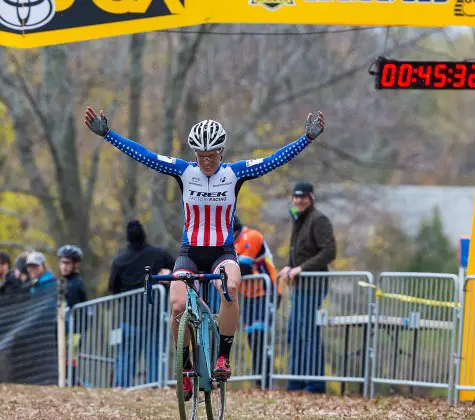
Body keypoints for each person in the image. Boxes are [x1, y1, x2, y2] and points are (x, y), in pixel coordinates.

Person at [85, 106, 325, 398]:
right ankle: (185, 365)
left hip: (222, 251)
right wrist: (108, 135)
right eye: (200, 156)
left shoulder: (235, 173)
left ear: (222, 151)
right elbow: (146, 156)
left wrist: (307, 139)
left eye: (211, 155)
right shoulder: (183, 171)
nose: (206, 161)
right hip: (189, 251)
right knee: (175, 306)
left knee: (231, 285)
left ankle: (223, 355)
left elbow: (274, 161)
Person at [277, 181, 336, 394]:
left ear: (311, 198)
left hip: (314, 285)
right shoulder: (299, 219)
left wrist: (301, 268)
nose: (299, 200)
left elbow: (329, 252)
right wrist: (290, 267)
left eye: (303, 197)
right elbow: (301, 251)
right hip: (300, 287)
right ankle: (297, 381)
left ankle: (315, 384)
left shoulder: (318, 219)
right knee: (295, 332)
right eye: (296, 196)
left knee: (310, 332)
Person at [108, 219, 175, 387]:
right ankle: (154, 388)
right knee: (154, 355)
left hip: (130, 318)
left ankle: (121, 389)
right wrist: (166, 278)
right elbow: (179, 271)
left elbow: (113, 289)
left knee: (126, 358)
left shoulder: (120, 260)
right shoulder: (159, 254)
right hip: (155, 315)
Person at [232, 215, 281, 388]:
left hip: (267, 291)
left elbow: (243, 268)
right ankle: (260, 381)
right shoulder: (231, 243)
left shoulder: (251, 236)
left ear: (235, 231)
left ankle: (267, 381)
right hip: (250, 295)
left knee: (261, 337)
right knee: (252, 338)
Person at [57, 245, 88, 309]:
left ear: (76, 264)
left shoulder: (75, 284)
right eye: (62, 262)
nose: (64, 267)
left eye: (67, 263)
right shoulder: (64, 280)